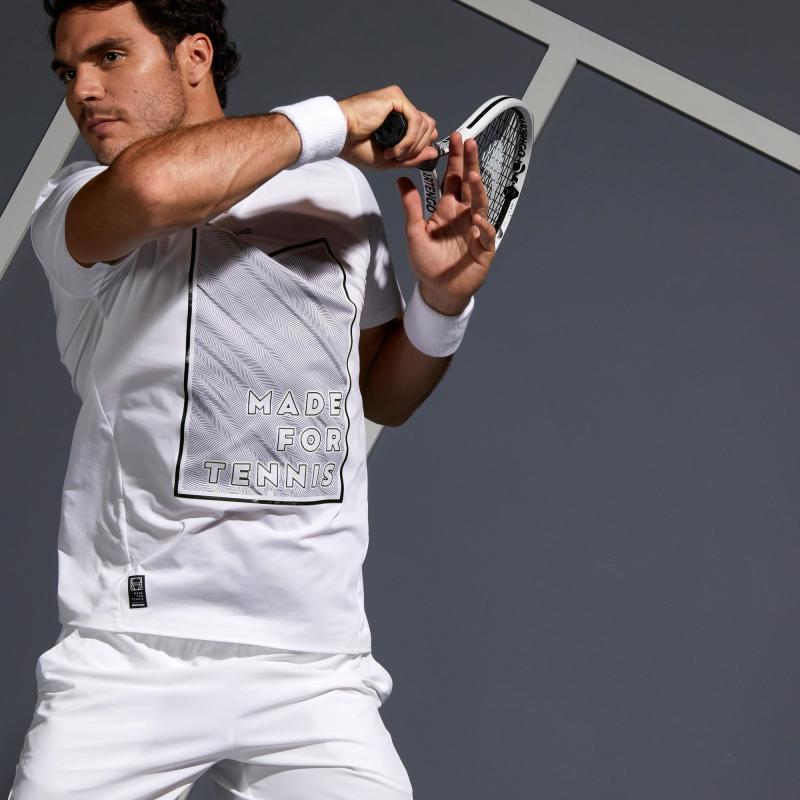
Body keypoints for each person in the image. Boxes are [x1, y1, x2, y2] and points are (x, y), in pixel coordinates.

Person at [9, 0, 497, 796]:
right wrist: (337, 118)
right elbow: (156, 188)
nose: (82, 91)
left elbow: (383, 395)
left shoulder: (335, 191)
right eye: (69, 71)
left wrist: (442, 304)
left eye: (109, 57)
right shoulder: (79, 200)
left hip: (316, 666)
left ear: (193, 57)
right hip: (133, 656)